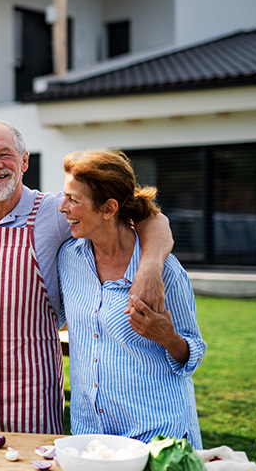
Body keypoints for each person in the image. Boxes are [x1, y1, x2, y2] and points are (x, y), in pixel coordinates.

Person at [0, 120, 174, 438]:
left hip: (30, 390)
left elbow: (151, 218)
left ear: (24, 161)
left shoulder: (55, 211)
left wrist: (150, 267)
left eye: (5, 154)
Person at [58, 149, 205, 448]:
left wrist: (168, 337)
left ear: (109, 209)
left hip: (156, 432)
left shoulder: (166, 274)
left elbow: (195, 353)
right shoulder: (68, 259)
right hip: (92, 434)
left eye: (74, 200)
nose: (63, 207)